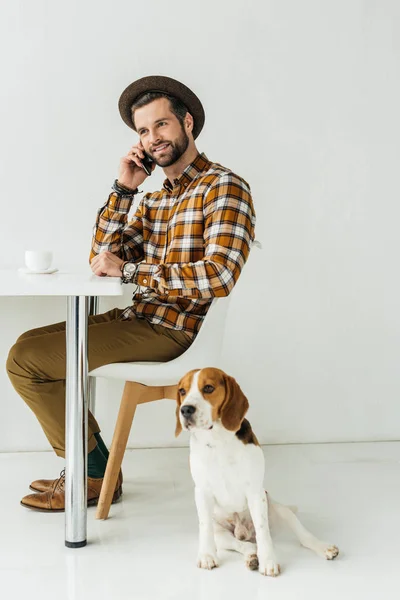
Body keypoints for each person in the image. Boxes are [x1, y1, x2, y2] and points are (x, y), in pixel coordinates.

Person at [6, 75, 256, 512]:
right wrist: (125, 189)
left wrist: (134, 270)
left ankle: (91, 471)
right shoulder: (156, 200)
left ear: (187, 124)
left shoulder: (224, 187)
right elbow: (102, 259)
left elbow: (219, 275)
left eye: (161, 125)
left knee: (27, 363)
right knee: (25, 350)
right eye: (143, 131)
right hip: (140, 319)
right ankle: (96, 467)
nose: (152, 138)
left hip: (176, 331)